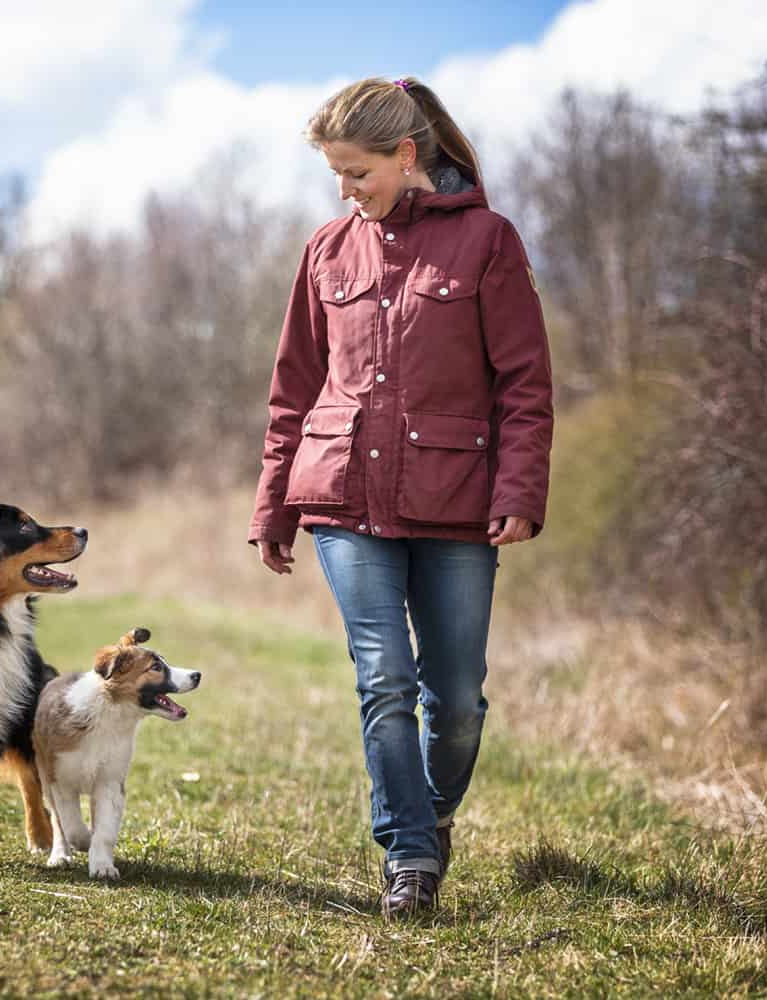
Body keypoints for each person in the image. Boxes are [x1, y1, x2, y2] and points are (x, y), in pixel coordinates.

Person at [248, 77, 553, 918]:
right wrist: (274, 507)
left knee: (454, 698)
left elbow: (525, 383)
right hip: (344, 502)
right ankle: (410, 855)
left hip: (458, 502)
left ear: (406, 156)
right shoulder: (325, 251)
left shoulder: (489, 242)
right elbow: (294, 391)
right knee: (384, 677)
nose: (345, 191)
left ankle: (432, 809)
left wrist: (520, 488)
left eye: (357, 173)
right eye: (336, 176)